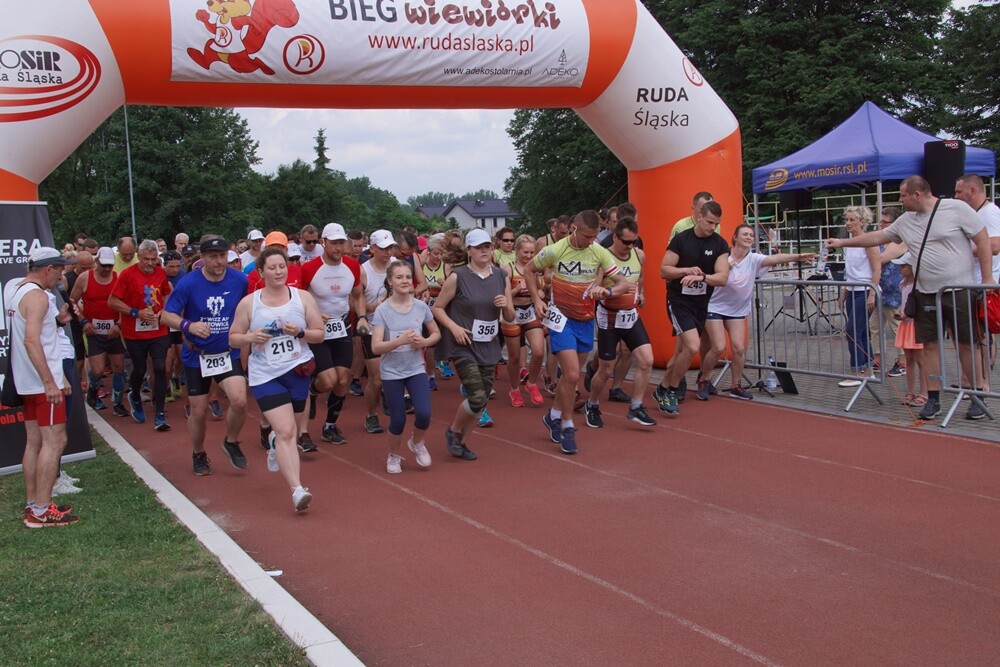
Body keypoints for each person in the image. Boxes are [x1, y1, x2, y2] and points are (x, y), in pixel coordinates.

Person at [826, 175, 993, 421]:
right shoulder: (906, 221)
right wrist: (843, 242)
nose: (900, 200)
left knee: (966, 344)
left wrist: (987, 277)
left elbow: (982, 238)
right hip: (925, 292)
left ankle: (977, 395)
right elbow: (877, 237)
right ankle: (933, 398)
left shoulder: (955, 209)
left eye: (903, 195)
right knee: (929, 345)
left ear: (917, 194)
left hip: (958, 290)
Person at [229, 247, 324, 512]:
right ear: (261, 272)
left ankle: (274, 442)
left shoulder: (302, 298)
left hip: (297, 370)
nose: (278, 272)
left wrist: (300, 332)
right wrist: (251, 337)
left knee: (289, 430)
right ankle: (297, 490)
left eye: (282, 266)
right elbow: (233, 338)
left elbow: (319, 334)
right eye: (272, 268)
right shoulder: (250, 303)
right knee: (286, 431)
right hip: (265, 375)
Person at [524, 210, 627, 454]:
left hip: (585, 321)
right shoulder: (556, 250)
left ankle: (553, 415)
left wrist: (607, 292)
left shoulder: (599, 251)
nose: (591, 241)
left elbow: (623, 283)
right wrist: (536, 300)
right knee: (571, 375)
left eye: (594, 236)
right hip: (561, 320)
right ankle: (567, 426)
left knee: (571, 377)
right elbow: (528, 269)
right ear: (574, 230)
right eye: (588, 236)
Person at [161, 237, 250, 476]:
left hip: (227, 353)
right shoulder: (188, 283)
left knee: (240, 401)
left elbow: (254, 304)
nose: (219, 261)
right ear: (202, 258)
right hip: (197, 355)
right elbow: (166, 315)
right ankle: (198, 452)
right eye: (213, 257)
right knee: (199, 411)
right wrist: (188, 325)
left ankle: (231, 441)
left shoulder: (240, 280)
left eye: (222, 256)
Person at [697, 223, 815, 400]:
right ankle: (704, 380)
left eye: (751, 235)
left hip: (737, 310)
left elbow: (776, 258)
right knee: (719, 347)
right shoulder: (723, 256)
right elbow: (708, 275)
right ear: (735, 237)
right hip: (715, 306)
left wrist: (798, 256)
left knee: (739, 349)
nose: (748, 237)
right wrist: (726, 268)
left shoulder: (754, 259)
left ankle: (736, 385)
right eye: (744, 234)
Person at [9, 248, 79, 527]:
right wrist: (51, 382)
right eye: (59, 270)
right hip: (41, 384)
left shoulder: (17, 290)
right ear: (48, 269)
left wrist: (58, 321)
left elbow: (33, 333)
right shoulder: (38, 296)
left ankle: (34, 504)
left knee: (34, 442)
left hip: (28, 381)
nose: (61, 276)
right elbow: (31, 341)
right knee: (55, 441)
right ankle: (40, 510)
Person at [433, 229, 514, 461]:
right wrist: (454, 328)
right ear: (469, 250)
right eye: (479, 247)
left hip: (489, 344)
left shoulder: (501, 275)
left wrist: (505, 305)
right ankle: (453, 431)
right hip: (464, 344)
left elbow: (510, 316)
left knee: (482, 401)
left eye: (487, 246)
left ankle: (462, 442)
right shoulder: (458, 276)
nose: (484, 251)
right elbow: (437, 308)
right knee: (477, 396)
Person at [653, 200, 731, 414]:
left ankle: (662, 388)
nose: (713, 227)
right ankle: (672, 391)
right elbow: (664, 271)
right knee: (693, 346)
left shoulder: (720, 244)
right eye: (709, 222)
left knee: (682, 352)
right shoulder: (681, 239)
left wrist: (703, 277)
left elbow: (722, 278)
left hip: (701, 304)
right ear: (699, 217)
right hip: (679, 301)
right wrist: (685, 271)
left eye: (716, 223)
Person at [585, 215, 657, 427]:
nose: (630, 246)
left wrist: (640, 293)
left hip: (630, 316)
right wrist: (605, 291)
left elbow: (640, 276)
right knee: (606, 369)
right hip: (609, 317)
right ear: (615, 237)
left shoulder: (639, 254)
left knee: (647, 361)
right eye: (626, 241)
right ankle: (592, 404)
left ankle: (636, 406)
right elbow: (594, 288)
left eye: (634, 241)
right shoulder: (604, 257)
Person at [372, 261, 441, 473]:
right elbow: (375, 347)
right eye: (399, 277)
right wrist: (399, 341)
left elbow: (436, 333)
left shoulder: (420, 307)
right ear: (390, 281)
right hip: (391, 372)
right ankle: (394, 455)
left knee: (424, 413)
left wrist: (424, 342)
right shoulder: (382, 310)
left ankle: (416, 442)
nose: (405, 281)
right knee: (398, 419)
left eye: (408, 277)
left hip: (415, 368)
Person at [300, 223, 365, 445]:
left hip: (342, 328)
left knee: (343, 380)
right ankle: (313, 390)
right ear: (323, 243)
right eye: (334, 243)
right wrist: (314, 314)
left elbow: (357, 295)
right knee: (328, 381)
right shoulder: (309, 269)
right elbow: (298, 300)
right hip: (318, 331)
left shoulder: (352, 266)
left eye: (341, 243)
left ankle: (330, 426)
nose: (338, 248)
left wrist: (362, 316)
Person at [108, 239, 173, 431]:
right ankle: (135, 395)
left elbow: (166, 293)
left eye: (153, 259)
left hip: (158, 329)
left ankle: (159, 413)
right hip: (134, 331)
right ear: (139, 257)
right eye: (146, 259)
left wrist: (165, 309)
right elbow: (112, 301)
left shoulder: (161, 273)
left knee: (160, 367)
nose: (150, 263)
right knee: (140, 368)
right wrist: (136, 312)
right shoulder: (127, 275)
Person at [955, 173, 1000, 393]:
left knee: (981, 336)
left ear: (972, 191)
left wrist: (958, 250)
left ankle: (983, 383)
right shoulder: (977, 213)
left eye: (958, 191)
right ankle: (970, 379)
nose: (955, 196)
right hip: (974, 281)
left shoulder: (990, 213)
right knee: (972, 335)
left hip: (984, 284)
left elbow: (994, 246)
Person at [71, 246, 128, 416]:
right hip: (93, 332)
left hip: (114, 331)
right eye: (104, 265)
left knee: (119, 367)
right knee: (97, 370)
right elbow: (72, 302)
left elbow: (127, 304)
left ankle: (118, 403)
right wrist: (83, 322)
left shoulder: (118, 278)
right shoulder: (84, 278)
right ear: (97, 262)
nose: (107, 269)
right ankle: (93, 391)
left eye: (110, 265)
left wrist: (119, 324)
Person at [836, 206, 880, 387]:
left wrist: (872, 293)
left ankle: (858, 371)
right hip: (853, 290)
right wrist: (844, 293)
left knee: (852, 331)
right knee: (859, 332)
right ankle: (868, 370)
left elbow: (876, 268)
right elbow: (851, 271)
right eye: (846, 220)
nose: (848, 223)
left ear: (862, 222)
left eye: (852, 220)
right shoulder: (849, 243)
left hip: (866, 289)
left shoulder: (868, 242)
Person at [359, 229, 397, 434]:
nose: (388, 252)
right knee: (376, 379)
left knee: (396, 373)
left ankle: (390, 399)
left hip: (396, 327)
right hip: (373, 329)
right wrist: (374, 306)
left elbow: (410, 289)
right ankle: (371, 414)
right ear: (372, 249)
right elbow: (355, 302)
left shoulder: (397, 266)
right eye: (383, 248)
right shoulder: (363, 271)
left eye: (390, 247)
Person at [501, 234, 545, 407]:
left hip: (529, 311)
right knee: (514, 357)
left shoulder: (534, 268)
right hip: (512, 314)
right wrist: (518, 288)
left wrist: (540, 293)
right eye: (525, 252)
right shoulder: (508, 269)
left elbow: (540, 289)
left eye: (532, 252)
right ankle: (514, 389)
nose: (528, 256)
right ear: (517, 251)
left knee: (539, 352)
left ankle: (531, 383)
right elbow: (503, 296)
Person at [871, 206, 907, 377]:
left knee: (897, 327)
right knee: (874, 326)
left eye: (885, 222)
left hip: (894, 293)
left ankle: (903, 361)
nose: (881, 225)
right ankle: (877, 358)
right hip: (879, 290)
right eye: (881, 222)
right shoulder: (879, 242)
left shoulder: (900, 242)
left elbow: (881, 259)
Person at [891, 252, 928, 407]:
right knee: (909, 359)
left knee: (921, 360)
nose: (900, 269)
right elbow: (904, 302)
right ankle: (910, 391)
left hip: (916, 324)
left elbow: (919, 305)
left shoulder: (919, 284)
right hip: (906, 324)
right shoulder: (903, 283)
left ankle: (924, 392)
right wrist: (900, 311)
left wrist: (906, 313)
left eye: (903, 266)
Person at [421, 233, 450, 390]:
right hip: (422, 310)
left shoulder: (445, 267)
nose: (438, 257)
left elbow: (453, 288)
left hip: (440, 310)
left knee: (442, 341)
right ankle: (430, 375)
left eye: (441, 254)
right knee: (429, 343)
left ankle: (443, 365)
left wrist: (446, 284)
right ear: (429, 252)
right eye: (436, 254)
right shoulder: (421, 266)